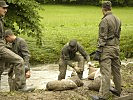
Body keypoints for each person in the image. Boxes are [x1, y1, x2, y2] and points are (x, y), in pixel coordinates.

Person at [0, 0, 34, 92]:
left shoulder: (20, 42)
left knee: (2, 68)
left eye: (6, 8)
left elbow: (27, 55)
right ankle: (20, 88)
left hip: (19, 67)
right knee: (19, 61)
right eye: (3, 8)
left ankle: (18, 88)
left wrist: (28, 69)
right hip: (3, 51)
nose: (6, 10)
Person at [91, 1, 121, 100]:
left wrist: (98, 51)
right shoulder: (118, 19)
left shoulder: (105, 20)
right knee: (116, 70)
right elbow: (118, 35)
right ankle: (117, 90)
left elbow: (102, 37)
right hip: (116, 47)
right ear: (110, 8)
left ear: (103, 9)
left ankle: (103, 96)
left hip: (107, 49)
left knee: (105, 72)